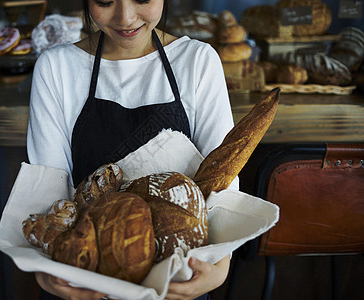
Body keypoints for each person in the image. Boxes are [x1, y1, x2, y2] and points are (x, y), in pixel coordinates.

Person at [27, 0, 238, 299]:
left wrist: (221, 265)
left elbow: (222, 186)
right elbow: (45, 192)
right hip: (85, 275)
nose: (125, 17)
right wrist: (46, 269)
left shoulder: (197, 61)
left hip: (178, 276)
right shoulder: (56, 67)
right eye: (104, 1)